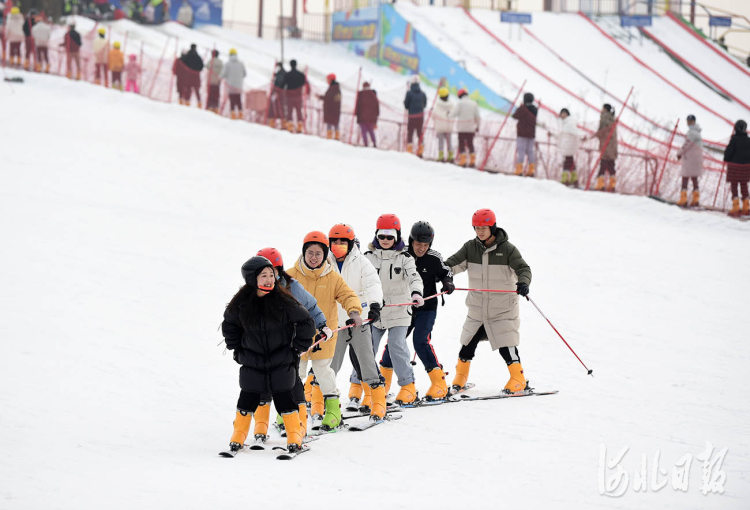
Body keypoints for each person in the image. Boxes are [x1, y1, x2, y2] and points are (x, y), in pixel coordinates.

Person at [221, 256, 315, 455]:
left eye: (271, 275)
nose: (269, 279)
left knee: (284, 398)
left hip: (281, 360)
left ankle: (294, 436)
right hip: (252, 361)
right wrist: (237, 349)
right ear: (251, 279)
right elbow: (229, 324)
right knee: (247, 398)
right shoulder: (242, 303)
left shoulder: (283, 300)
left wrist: (298, 347)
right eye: (263, 275)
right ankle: (238, 436)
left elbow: (306, 322)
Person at [445, 208, 532, 395]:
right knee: (467, 343)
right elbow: (451, 264)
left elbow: (523, 268)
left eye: (483, 227)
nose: (480, 232)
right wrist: (443, 276)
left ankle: (518, 379)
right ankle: (460, 379)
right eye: (476, 228)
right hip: (477, 307)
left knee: (506, 344)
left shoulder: (508, 250)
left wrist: (523, 283)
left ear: (493, 227)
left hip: (502, 308)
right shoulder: (470, 247)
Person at [286, 231, 363, 431]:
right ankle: (288, 413)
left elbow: (347, 295)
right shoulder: (290, 277)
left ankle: (333, 412)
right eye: (310, 253)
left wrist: (354, 311)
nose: (313, 257)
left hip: (324, 334)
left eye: (318, 254)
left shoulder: (332, 277)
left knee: (323, 372)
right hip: (295, 337)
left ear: (325, 255)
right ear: (303, 253)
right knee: (294, 373)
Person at [252, 247, 328, 443]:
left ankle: (300, 425)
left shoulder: (291, 287)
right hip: (261, 347)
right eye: (264, 272)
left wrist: (323, 325)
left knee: (292, 382)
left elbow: (311, 307)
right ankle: (260, 427)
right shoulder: (253, 291)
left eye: (274, 271)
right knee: (261, 385)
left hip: (288, 346)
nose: (270, 277)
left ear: (280, 270)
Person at [326, 224, 386, 419]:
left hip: (358, 321)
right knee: (328, 365)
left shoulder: (361, 262)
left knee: (366, 362)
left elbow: (372, 283)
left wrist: (375, 304)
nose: (338, 245)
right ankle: (321, 406)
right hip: (335, 324)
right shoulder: (324, 262)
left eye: (343, 241)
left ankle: (378, 403)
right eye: (335, 241)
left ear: (350, 243)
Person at [363, 214, 424, 404]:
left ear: (397, 237)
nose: (386, 240)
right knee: (366, 349)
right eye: (382, 236)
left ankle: (408, 387)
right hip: (375, 313)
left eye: (390, 237)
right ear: (376, 236)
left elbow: (414, 277)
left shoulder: (405, 258)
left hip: (399, 312)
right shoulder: (367, 258)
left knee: (397, 346)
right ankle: (364, 390)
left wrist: (416, 293)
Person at [405, 221, 454, 400]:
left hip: (427, 308)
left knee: (420, 341)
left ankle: (439, 383)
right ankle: (384, 385)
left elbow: (446, 271)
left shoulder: (434, 257)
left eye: (425, 245)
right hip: (404, 309)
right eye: (418, 244)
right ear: (411, 241)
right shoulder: (402, 255)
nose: (421, 248)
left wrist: (447, 282)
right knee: (396, 343)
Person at [675, 114, 703, 207]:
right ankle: (696, 199)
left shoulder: (692, 133)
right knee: (694, 178)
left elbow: (686, 145)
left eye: (689, 121)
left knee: (685, 177)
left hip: (690, 159)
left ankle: (683, 199)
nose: (688, 123)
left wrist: (679, 153)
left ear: (693, 122)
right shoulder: (697, 132)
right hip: (696, 159)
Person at [724, 120, 750, 217]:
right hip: (746, 168)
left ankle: (736, 207)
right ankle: (746, 207)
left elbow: (729, 152)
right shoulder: (749, 140)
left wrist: (726, 159)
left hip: (734, 167)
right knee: (744, 185)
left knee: (734, 186)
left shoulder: (734, 139)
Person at [590, 104, 618, 192]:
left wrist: (593, 136)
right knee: (611, 165)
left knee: (603, 164)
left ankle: (600, 184)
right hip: (613, 145)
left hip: (606, 144)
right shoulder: (612, 119)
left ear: (605, 109)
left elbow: (601, 131)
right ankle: (612, 184)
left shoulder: (604, 118)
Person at [452, 88, 481, 168]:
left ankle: (463, 161)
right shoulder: (474, 103)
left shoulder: (460, 103)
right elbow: (478, 117)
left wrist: (447, 115)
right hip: (471, 128)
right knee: (470, 143)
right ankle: (472, 161)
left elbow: (454, 113)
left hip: (461, 127)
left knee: (461, 143)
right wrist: (478, 126)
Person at [512, 92, 538, 176]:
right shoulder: (535, 109)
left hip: (522, 133)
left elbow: (515, 116)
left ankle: (519, 170)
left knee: (521, 151)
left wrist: (520, 107)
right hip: (531, 134)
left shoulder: (523, 108)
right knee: (530, 151)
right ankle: (531, 170)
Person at [404, 75, 427, 157]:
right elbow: (424, 105)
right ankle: (420, 151)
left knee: (410, 133)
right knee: (419, 133)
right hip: (420, 117)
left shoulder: (409, 93)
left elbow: (406, 105)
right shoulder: (423, 94)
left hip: (412, 116)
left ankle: (409, 150)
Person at [283, 59, 308, 133]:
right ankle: (299, 127)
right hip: (298, 96)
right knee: (299, 111)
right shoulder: (301, 75)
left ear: (290, 65)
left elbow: (284, 85)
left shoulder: (287, 74)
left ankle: (290, 127)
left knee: (289, 111)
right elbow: (305, 83)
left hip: (289, 97)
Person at [556, 108, 580, 186]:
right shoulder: (567, 122)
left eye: (563, 113)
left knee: (567, 161)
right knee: (570, 161)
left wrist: (582, 137)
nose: (562, 115)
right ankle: (573, 179)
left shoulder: (569, 123)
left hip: (568, 145)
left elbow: (575, 132)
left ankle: (566, 179)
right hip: (568, 145)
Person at [221, 48, 246, 120]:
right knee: (238, 100)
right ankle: (241, 115)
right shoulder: (241, 63)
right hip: (239, 86)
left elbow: (223, 74)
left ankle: (233, 115)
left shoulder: (227, 64)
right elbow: (244, 74)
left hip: (230, 86)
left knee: (232, 101)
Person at [433, 87, 454, 163]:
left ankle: (441, 156)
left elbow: (433, 115)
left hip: (440, 127)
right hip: (449, 127)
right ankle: (450, 156)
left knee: (440, 142)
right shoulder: (451, 105)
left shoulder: (437, 105)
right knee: (449, 142)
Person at [355, 81, 379, 148]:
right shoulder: (373, 95)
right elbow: (377, 107)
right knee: (371, 131)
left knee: (364, 132)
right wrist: (376, 116)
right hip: (372, 118)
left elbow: (358, 106)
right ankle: (374, 143)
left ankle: (366, 144)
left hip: (362, 118)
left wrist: (357, 114)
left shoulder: (361, 94)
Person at [319, 73, 342, 140]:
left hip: (331, 109)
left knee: (330, 122)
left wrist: (321, 97)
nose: (327, 81)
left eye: (328, 79)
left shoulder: (333, 88)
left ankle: (330, 136)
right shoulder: (336, 88)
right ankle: (336, 136)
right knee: (335, 122)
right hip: (335, 110)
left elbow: (328, 98)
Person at [269, 62, 286, 128]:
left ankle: (274, 122)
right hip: (281, 92)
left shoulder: (281, 73)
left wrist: (276, 91)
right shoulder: (280, 73)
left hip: (278, 92)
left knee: (274, 107)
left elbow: (279, 82)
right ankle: (282, 122)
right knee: (280, 107)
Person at [205, 49, 223, 114]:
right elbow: (222, 71)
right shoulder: (220, 62)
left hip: (210, 81)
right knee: (216, 96)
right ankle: (215, 108)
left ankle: (209, 107)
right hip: (217, 82)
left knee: (210, 95)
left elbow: (207, 66)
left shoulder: (210, 61)